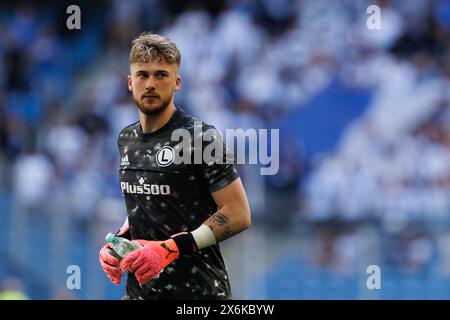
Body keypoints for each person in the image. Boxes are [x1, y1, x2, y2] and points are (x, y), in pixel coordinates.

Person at [98, 32, 251, 300]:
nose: (150, 84)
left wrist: (168, 249)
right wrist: (116, 242)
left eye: (161, 75)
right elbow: (144, 204)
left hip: (198, 295)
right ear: (130, 82)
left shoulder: (200, 137)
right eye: (143, 75)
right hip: (138, 294)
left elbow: (238, 213)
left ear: (177, 82)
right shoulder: (126, 138)